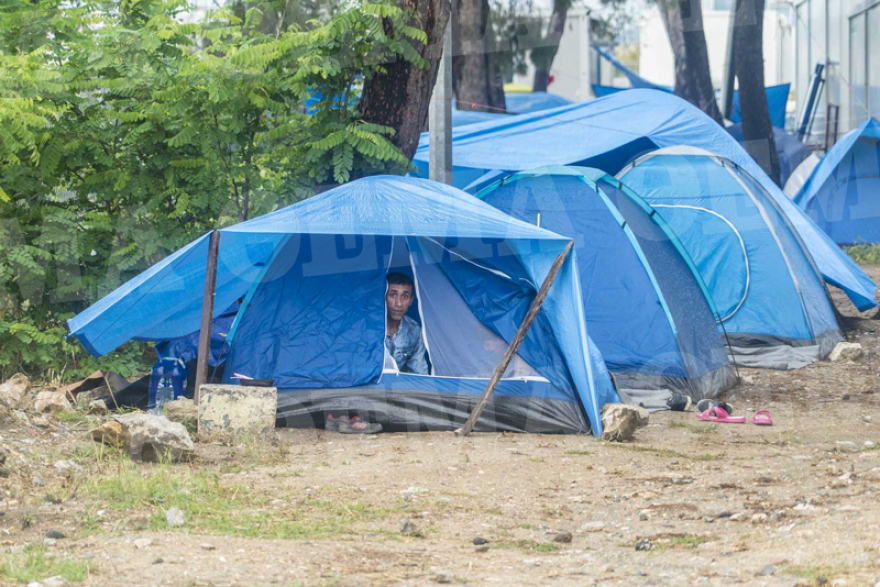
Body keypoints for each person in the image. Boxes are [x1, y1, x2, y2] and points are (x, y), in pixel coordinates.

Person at [326, 272, 428, 434]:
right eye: (392, 295)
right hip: (365, 387)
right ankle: (350, 418)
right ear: (383, 297)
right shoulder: (367, 325)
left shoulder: (413, 330)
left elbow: (420, 373)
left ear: (411, 301)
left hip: (393, 392)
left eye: (404, 296)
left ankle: (352, 420)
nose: (398, 303)